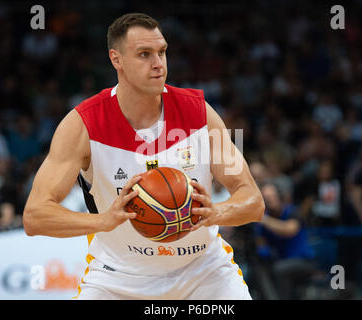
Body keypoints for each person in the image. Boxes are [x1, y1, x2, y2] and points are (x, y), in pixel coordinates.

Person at [23, 13, 264, 300]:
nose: (158, 63)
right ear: (117, 59)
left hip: (203, 271)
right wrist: (103, 221)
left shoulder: (199, 112)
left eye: (162, 52)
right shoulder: (83, 125)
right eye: (144, 54)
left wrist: (217, 213)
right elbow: (35, 216)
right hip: (117, 277)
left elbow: (253, 201)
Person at [254, 183, 315, 299]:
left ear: (280, 196)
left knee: (280, 268)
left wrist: (263, 219)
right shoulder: (265, 218)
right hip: (279, 260)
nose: (269, 200)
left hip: (303, 261)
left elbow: (289, 230)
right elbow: (260, 243)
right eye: (265, 198)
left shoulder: (293, 212)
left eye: (272, 196)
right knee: (258, 267)